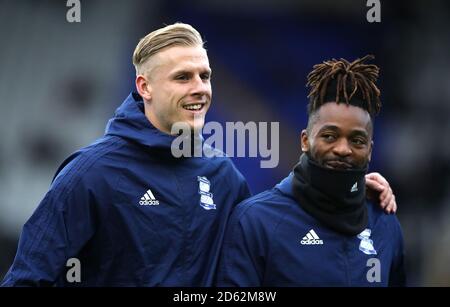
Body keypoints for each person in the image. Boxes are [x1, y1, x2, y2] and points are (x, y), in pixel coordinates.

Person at [1, 24, 396, 286]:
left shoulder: (225, 178)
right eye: (182, 77)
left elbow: (273, 225)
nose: (200, 88)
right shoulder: (92, 173)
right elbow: (27, 279)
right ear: (145, 86)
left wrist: (347, 185)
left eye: (204, 76)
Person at [217, 55, 405, 287]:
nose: (343, 149)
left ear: (369, 150)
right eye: (329, 136)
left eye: (357, 140)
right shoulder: (256, 222)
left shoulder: (384, 223)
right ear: (305, 141)